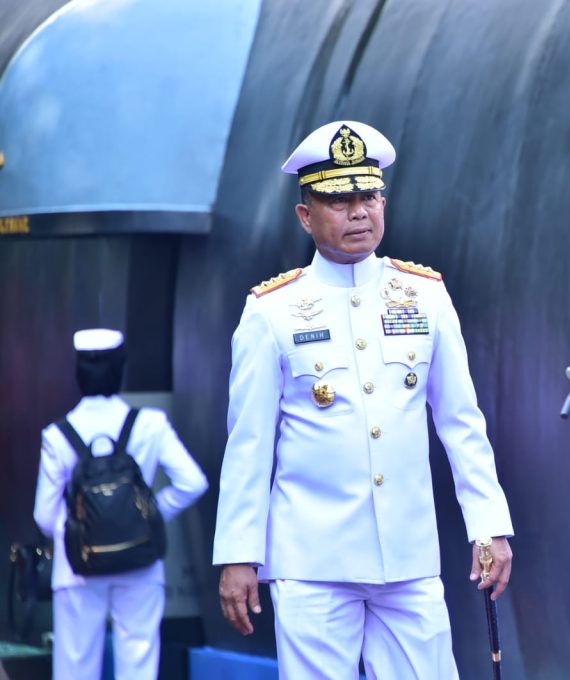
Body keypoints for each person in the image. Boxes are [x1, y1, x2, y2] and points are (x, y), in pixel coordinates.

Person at [212, 120, 514, 679]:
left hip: (408, 555)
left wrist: (489, 523)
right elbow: (249, 444)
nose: (358, 213)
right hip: (313, 559)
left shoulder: (424, 296)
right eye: (339, 201)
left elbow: (460, 421)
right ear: (305, 216)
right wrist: (238, 553)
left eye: (369, 197)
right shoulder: (272, 311)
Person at [33, 328, 208, 680]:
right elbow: (193, 482)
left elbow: (44, 516)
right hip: (140, 563)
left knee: (75, 666)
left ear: (79, 371)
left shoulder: (57, 434)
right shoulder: (151, 424)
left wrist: (81, 533)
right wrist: (147, 515)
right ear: (119, 369)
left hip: (77, 569)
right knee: (138, 664)